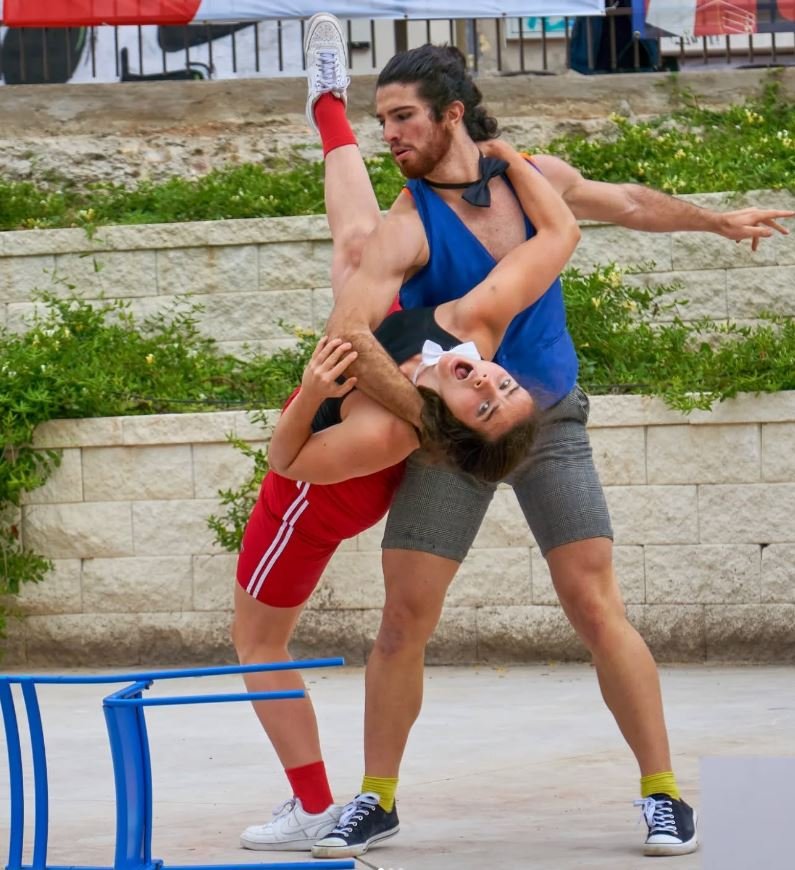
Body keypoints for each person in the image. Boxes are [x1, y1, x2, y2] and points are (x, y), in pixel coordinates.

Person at [294, 12, 795, 862]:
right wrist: (428, 420)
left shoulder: (531, 179)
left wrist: (714, 220)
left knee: (595, 604)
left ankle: (662, 795)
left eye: (403, 117)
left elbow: (627, 204)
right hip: (452, 432)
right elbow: (349, 339)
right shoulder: (406, 225)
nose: (391, 136)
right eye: (377, 122)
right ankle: (375, 799)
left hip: (548, 415)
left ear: (451, 112)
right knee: (402, 619)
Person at [232, 43, 581, 850]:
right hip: (365, 402)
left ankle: (314, 803)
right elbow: (559, 232)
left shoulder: (387, 430)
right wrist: (507, 158)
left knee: (255, 640)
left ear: (456, 420)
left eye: (485, 395)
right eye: (505, 380)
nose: (491, 377)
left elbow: (285, 462)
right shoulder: (470, 329)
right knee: (359, 239)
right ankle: (326, 100)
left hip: (309, 498)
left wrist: (316, 392)